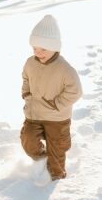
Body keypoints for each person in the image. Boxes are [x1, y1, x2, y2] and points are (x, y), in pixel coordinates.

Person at [20, 15, 83, 181]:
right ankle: (42, 159)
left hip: (57, 118)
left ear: (55, 48)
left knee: (57, 150)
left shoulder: (64, 68)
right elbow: (25, 79)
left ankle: (57, 177)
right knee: (28, 141)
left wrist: (57, 104)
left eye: (43, 49)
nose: (38, 53)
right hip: (34, 114)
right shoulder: (30, 63)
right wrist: (27, 94)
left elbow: (75, 91)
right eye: (35, 48)